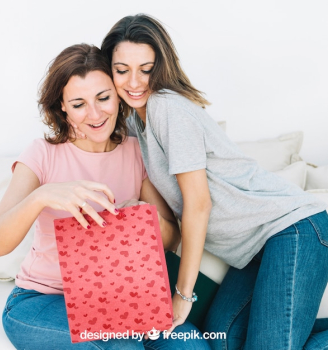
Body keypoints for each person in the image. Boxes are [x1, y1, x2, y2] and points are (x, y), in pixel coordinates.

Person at [94, 14, 328, 349]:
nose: (135, 81)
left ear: (160, 67)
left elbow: (198, 204)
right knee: (223, 343)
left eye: (146, 69)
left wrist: (183, 294)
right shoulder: (135, 123)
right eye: (122, 70)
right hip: (253, 251)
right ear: (109, 70)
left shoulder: (166, 109)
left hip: (294, 229)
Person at [0, 44, 211, 350]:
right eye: (79, 104)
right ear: (62, 107)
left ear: (117, 95)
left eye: (103, 98)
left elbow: (171, 240)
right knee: (121, 346)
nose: (95, 114)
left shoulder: (134, 152)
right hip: (41, 300)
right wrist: (42, 195)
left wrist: (145, 217)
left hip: (119, 298)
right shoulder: (42, 154)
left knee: (191, 346)